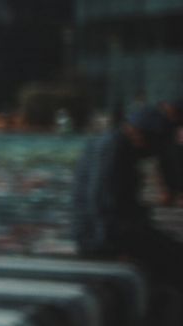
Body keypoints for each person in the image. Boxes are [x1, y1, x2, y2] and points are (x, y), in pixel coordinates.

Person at [71, 98, 183, 288]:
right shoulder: (115, 149)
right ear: (140, 136)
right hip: (104, 239)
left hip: (107, 232)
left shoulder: (115, 143)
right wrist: (115, 249)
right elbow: (100, 203)